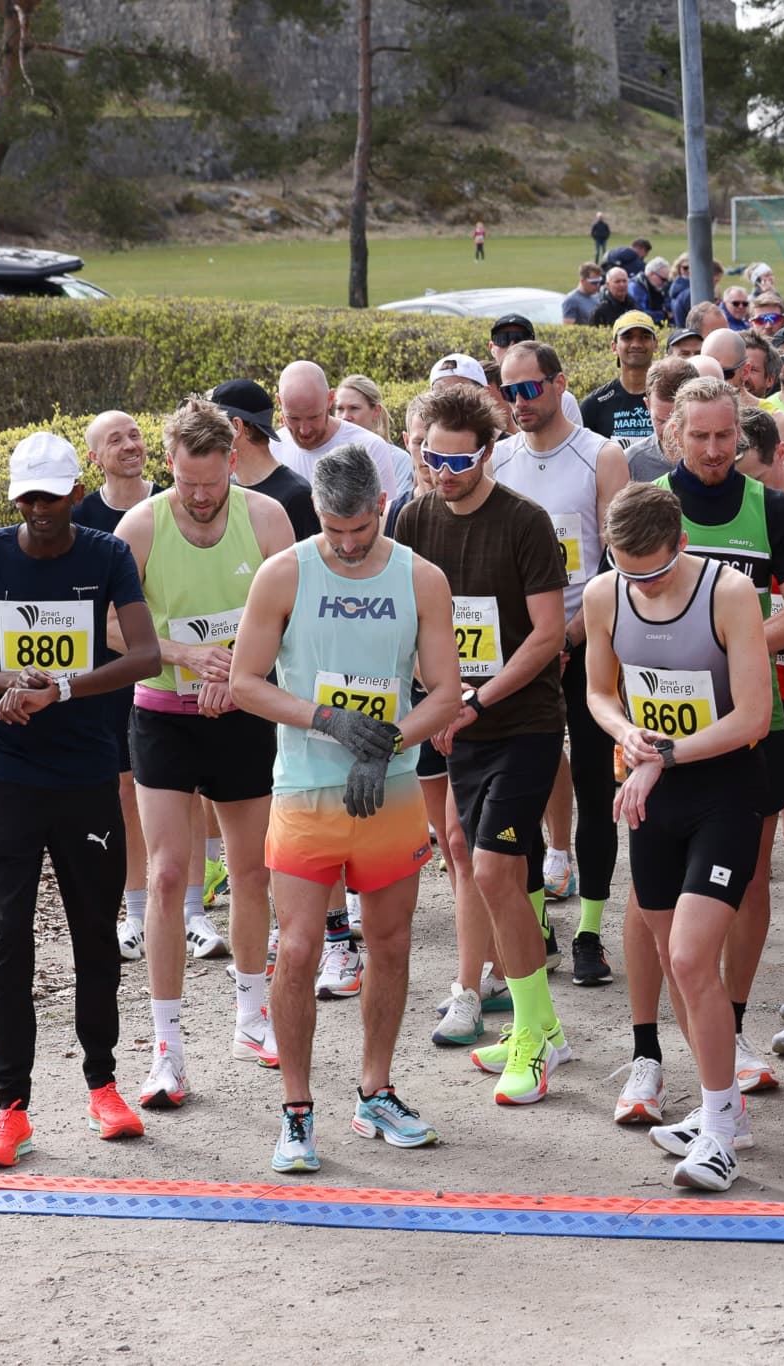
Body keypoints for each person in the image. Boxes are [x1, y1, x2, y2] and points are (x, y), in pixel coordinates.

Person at [229, 445, 462, 1172]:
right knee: (297, 947)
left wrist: (388, 739)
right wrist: (326, 721)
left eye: (360, 528)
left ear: (383, 508)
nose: (348, 543)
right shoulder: (285, 573)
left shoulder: (420, 577)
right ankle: (296, 1113)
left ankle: (375, 1091)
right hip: (305, 785)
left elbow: (447, 692)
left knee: (389, 945)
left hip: (387, 786)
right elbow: (244, 682)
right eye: (334, 529)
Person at [0, 433, 160, 1167]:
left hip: (86, 772)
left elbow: (145, 655)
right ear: (16, 499)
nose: (38, 509)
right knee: (10, 940)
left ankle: (103, 1086)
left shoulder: (105, 556)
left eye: (51, 495)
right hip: (7, 771)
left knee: (95, 934)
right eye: (26, 497)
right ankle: (11, 1110)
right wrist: (6, 685)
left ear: (76, 493)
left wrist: (61, 688)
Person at [583, 484, 774, 1187]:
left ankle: (721, 1127)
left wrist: (664, 755)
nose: (643, 585)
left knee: (693, 959)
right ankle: (722, 1110)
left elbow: (753, 716)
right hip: (648, 792)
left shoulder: (729, 594)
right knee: (675, 962)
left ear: (682, 546)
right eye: (628, 571)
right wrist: (624, 731)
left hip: (721, 790)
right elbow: (600, 692)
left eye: (656, 572)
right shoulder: (607, 594)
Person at [394, 382, 576, 1102]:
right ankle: (541, 1024)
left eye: (458, 461)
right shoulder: (412, 517)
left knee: (499, 870)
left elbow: (547, 635)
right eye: (432, 457)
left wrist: (476, 697)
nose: (444, 471)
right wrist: (432, 694)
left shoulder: (525, 523)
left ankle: (534, 1035)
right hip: (455, 724)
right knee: (470, 859)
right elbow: (401, 620)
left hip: (523, 722)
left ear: (489, 451)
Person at [114, 399, 297, 1111]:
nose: (197, 496)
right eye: (186, 482)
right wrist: (187, 656)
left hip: (244, 714)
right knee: (165, 876)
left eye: (210, 481)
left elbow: (290, 612)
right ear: (171, 466)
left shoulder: (267, 518)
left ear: (231, 461)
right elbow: (110, 626)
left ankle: (251, 1018)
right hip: (163, 715)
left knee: (252, 871)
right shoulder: (139, 527)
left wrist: (239, 674)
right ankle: (167, 1048)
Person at [657, 378, 784, 1093]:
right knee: (662, 893)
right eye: (699, 436)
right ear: (675, 437)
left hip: (761, 718)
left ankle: (731, 1020)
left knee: (751, 874)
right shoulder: (655, 507)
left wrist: (739, 642)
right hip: (668, 720)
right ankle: (669, 1041)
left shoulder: (771, 506)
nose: (714, 449)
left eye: (725, 436)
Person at [491, 341, 631, 983]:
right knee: (524, 780)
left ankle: (591, 930)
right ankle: (536, 919)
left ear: (558, 384)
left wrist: (574, 634)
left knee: (597, 786)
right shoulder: (501, 459)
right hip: (525, 652)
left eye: (530, 388)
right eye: (508, 389)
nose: (519, 402)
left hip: (587, 643)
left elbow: (618, 558)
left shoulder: (601, 454)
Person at [74, 411, 164, 958]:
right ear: (95, 457)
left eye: (134, 435)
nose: (130, 445)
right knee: (127, 789)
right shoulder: (81, 517)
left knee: (192, 788)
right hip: (112, 672)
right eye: (116, 440)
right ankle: (135, 913)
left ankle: (191, 910)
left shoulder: (178, 499)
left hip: (180, 666)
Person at [272, 362, 414, 503]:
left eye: (313, 417)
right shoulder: (270, 448)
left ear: (330, 399)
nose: (305, 430)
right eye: (294, 418)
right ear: (279, 402)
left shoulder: (371, 448)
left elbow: (385, 519)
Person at [210, 379, 320, 540]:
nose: (204, 433)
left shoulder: (296, 496)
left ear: (236, 427)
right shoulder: (224, 487)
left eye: (211, 424)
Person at [582, 312, 659, 444]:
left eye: (644, 337)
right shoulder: (594, 404)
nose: (636, 344)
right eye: (627, 337)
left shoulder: (673, 398)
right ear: (614, 347)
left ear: (656, 344)